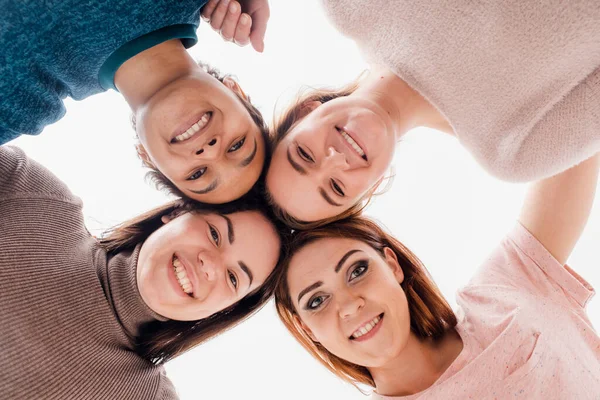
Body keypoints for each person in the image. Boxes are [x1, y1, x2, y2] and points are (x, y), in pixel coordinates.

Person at [275, 153, 600, 398]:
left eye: (357, 271)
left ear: (392, 264)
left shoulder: (506, 287)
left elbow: (577, 133)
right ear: (307, 328)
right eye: (317, 301)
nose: (349, 306)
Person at [265, 0, 600, 228]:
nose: (335, 160)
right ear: (373, 186)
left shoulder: (350, 7)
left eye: (304, 154)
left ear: (303, 113)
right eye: (337, 188)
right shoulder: (513, 149)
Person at [0, 145, 284, 399]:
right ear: (178, 212)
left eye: (233, 278)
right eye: (215, 234)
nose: (209, 265)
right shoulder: (34, 195)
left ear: (224, 309)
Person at [0, 0, 270, 204]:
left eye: (197, 174)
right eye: (237, 145)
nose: (209, 152)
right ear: (237, 92)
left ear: (146, 156)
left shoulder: (21, 105)